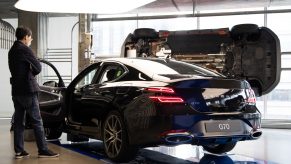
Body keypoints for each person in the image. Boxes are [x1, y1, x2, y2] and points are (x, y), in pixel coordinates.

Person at [8, 26, 60, 159]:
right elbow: (38, 67)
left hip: (16, 90)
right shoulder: (25, 49)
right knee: (37, 120)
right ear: (25, 37)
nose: (31, 39)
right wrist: (31, 72)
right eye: (30, 37)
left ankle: (19, 150)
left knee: (19, 122)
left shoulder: (12, 50)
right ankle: (43, 150)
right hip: (28, 90)